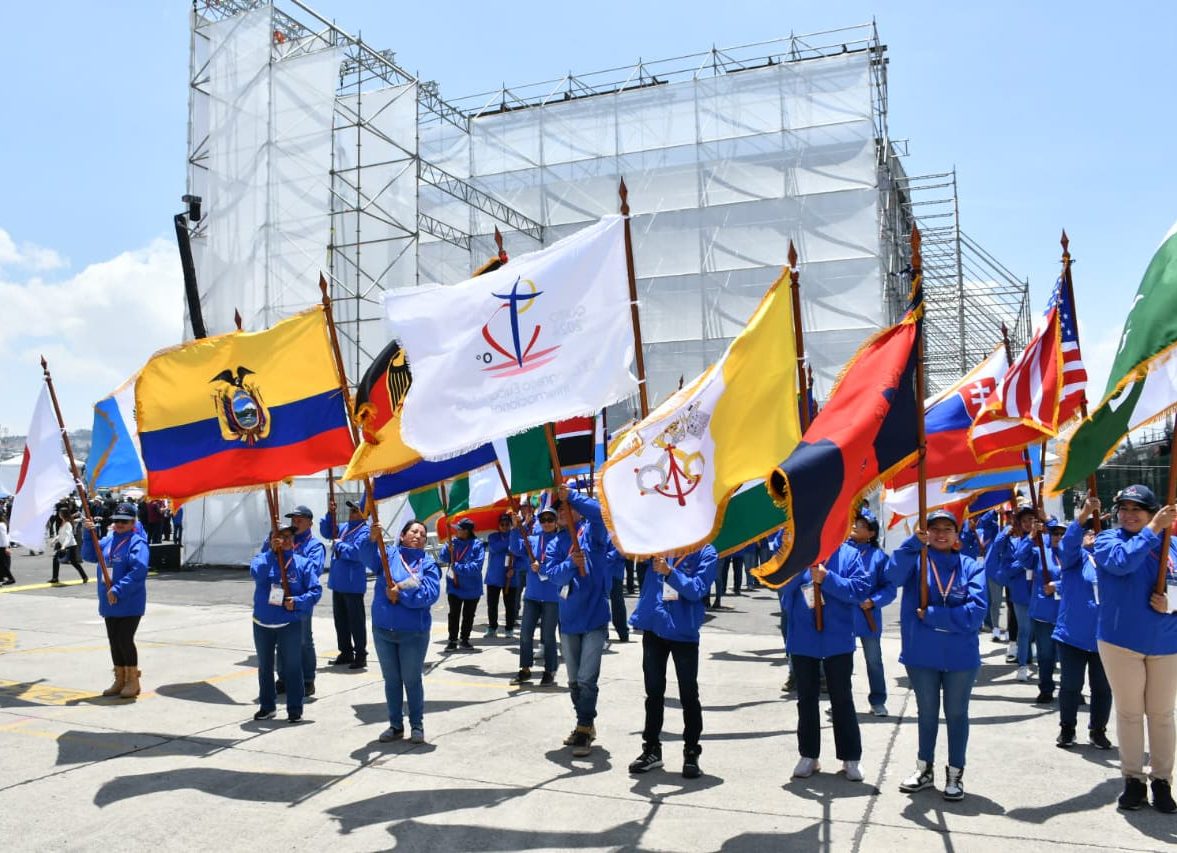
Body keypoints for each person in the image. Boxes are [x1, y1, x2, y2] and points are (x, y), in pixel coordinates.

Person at [890, 508, 988, 802]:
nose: (941, 533)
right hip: (921, 654)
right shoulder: (916, 561)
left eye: (947, 528)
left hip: (960, 657)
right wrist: (910, 545)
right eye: (934, 528)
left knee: (956, 714)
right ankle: (924, 769)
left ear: (957, 535)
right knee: (927, 714)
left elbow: (976, 613)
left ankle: (956, 773)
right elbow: (891, 577)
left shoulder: (971, 566)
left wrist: (933, 615)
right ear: (925, 532)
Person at [1093, 484, 1177, 813]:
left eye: (1137, 509)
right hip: (1121, 641)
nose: (1128, 515)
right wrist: (1154, 529)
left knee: (1161, 715)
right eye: (1123, 509)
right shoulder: (1107, 541)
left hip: (1166, 641)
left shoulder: (1173, 547)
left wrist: (1170, 604)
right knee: (1129, 713)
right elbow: (1122, 563)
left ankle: (1162, 780)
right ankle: (1132, 779)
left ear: (1152, 510)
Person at [780, 538, 871, 781]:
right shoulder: (796, 552)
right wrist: (801, 570)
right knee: (806, 698)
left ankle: (850, 757)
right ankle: (809, 755)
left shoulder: (849, 554)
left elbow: (859, 590)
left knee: (842, 698)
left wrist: (827, 579)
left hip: (837, 639)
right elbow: (781, 586)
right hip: (803, 637)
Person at [627, 545, 718, 779]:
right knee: (654, 692)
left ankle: (691, 751)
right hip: (655, 627)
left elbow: (698, 589)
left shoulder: (707, 552)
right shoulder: (661, 544)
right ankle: (651, 749)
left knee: (688, 693)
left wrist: (670, 572)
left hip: (683, 631)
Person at [547, 486, 612, 757]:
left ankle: (584, 728)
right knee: (573, 681)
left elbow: (601, 515)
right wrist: (572, 564)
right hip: (569, 620)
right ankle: (584, 723)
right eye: (558, 508)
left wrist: (572, 495)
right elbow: (553, 576)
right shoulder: (554, 543)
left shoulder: (591, 533)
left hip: (595, 618)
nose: (562, 512)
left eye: (565, 506)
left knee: (587, 679)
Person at [362, 518, 441, 744]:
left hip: (413, 633)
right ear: (403, 535)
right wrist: (371, 537)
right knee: (392, 680)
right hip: (383, 630)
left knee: (411, 679)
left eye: (423, 534)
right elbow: (366, 556)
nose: (418, 536)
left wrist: (401, 594)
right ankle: (395, 725)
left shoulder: (427, 564)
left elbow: (429, 594)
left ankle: (417, 726)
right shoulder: (388, 556)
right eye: (413, 531)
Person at [1054, 496, 1112, 750]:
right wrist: (1084, 516)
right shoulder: (1074, 560)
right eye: (1086, 533)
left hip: (1105, 637)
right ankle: (1067, 729)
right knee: (1070, 686)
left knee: (1102, 688)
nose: (1091, 536)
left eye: (1095, 533)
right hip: (1072, 636)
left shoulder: (1111, 562)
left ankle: (1098, 730)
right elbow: (1068, 544)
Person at [249, 525, 321, 723]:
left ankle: (295, 708)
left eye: (289, 537)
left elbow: (315, 591)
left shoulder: (303, 564)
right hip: (263, 622)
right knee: (265, 666)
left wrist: (297, 602)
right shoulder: (261, 559)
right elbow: (257, 574)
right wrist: (272, 553)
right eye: (279, 536)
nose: (285, 540)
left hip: (289, 623)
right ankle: (267, 706)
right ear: (271, 539)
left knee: (292, 666)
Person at [80, 502, 149, 697]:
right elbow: (89, 555)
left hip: (128, 600)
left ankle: (133, 680)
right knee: (114, 640)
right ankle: (119, 678)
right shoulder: (108, 540)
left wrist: (118, 589)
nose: (119, 524)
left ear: (133, 522)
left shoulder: (137, 542)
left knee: (124, 639)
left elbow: (139, 570)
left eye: (124, 521)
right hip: (108, 600)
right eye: (117, 520)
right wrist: (88, 533)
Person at [273, 506, 326, 696]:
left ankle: (307, 679)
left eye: (300, 519)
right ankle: (284, 678)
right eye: (293, 519)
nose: (296, 522)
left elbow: (314, 570)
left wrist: (291, 557)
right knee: (281, 639)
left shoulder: (314, 546)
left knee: (303, 640)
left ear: (310, 522)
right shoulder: (284, 541)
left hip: (301, 598)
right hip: (280, 597)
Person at [848, 511, 895, 717]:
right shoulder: (840, 552)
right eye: (854, 522)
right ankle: (841, 700)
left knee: (874, 660)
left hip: (868, 617)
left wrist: (873, 601)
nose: (855, 526)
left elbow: (889, 588)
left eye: (860, 524)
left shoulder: (879, 557)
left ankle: (878, 700)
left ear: (871, 533)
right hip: (843, 617)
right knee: (841, 661)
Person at [511, 506, 563, 686]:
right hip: (532, 595)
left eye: (550, 519)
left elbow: (562, 567)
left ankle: (550, 670)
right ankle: (524, 669)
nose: (547, 523)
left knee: (548, 636)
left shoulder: (561, 540)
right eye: (543, 520)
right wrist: (515, 528)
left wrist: (541, 568)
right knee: (525, 634)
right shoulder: (532, 539)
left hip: (551, 597)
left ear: (556, 522)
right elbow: (515, 549)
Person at [989, 505, 1038, 678]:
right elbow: (1003, 562)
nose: (1028, 523)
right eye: (1024, 520)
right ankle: (1022, 665)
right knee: (1024, 630)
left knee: (1040, 631)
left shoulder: (1044, 541)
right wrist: (1006, 530)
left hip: (1040, 593)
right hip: (1021, 593)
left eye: (1031, 520)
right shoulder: (1013, 541)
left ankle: (1041, 661)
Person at [320, 499, 370, 669]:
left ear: (365, 514)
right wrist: (330, 514)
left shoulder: (364, 531)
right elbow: (327, 532)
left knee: (355, 621)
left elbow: (357, 553)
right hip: (338, 581)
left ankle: (360, 653)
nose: (352, 512)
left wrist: (340, 545)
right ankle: (346, 651)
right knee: (340, 620)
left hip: (352, 583)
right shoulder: (344, 527)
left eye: (356, 510)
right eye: (351, 509)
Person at [1027, 517, 1066, 704]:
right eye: (1055, 533)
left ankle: (1071, 689)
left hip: (1067, 614)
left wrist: (1057, 586)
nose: (1058, 536)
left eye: (1062, 533)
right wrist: (1031, 535)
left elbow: (1082, 580)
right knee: (1045, 655)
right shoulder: (1039, 552)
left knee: (1069, 657)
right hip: (1044, 613)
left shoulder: (1075, 555)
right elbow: (1021, 557)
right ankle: (1046, 688)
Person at [440, 518, 485, 650]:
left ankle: (465, 638)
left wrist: (457, 568)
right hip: (454, 586)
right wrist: (447, 550)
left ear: (467, 531)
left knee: (469, 615)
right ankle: (452, 640)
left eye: (459, 529)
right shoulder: (452, 542)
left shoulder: (477, 545)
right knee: (454, 614)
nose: (456, 531)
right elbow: (443, 559)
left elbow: (476, 567)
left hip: (472, 587)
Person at [484, 513, 516, 638]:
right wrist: (510, 542)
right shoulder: (493, 536)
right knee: (492, 605)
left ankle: (509, 628)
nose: (504, 526)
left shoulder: (516, 535)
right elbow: (494, 548)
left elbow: (519, 552)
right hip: (494, 577)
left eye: (507, 524)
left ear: (510, 525)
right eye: (502, 524)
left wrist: (514, 539)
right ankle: (492, 627)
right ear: (498, 525)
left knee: (510, 605)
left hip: (510, 576)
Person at [49, 506, 88, 584]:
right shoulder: (63, 523)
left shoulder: (68, 524)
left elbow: (68, 536)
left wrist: (63, 546)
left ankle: (84, 576)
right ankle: (55, 578)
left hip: (71, 546)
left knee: (74, 562)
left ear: (63, 514)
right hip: (65, 545)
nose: (58, 514)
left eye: (60, 513)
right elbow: (61, 534)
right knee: (56, 559)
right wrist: (54, 540)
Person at [606, 534, 630, 642]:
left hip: (614, 572)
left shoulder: (618, 531)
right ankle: (603, 634)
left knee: (618, 603)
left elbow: (622, 551)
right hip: (600, 572)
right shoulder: (595, 528)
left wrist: (605, 558)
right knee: (601, 603)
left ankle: (623, 632)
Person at [0, 512, 14, 585]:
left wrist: (6, 547)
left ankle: (11, 578)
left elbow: (4, 537)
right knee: (3, 564)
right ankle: (1, 578)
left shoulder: (1, 525)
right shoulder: (3, 524)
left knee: (4, 564)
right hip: (2, 546)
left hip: (2, 547)